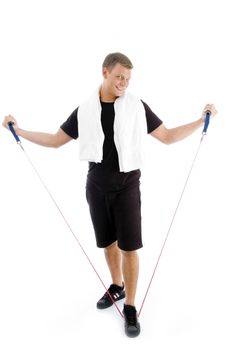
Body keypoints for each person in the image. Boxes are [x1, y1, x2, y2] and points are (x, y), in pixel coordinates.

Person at [2, 52, 217, 338]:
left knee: (130, 247)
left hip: (127, 186)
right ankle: (117, 286)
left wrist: (201, 120)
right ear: (104, 73)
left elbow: (166, 136)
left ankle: (130, 305)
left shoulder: (137, 106)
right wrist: (18, 130)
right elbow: (55, 141)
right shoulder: (85, 109)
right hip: (96, 185)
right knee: (107, 243)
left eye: (127, 79)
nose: (123, 83)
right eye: (118, 77)